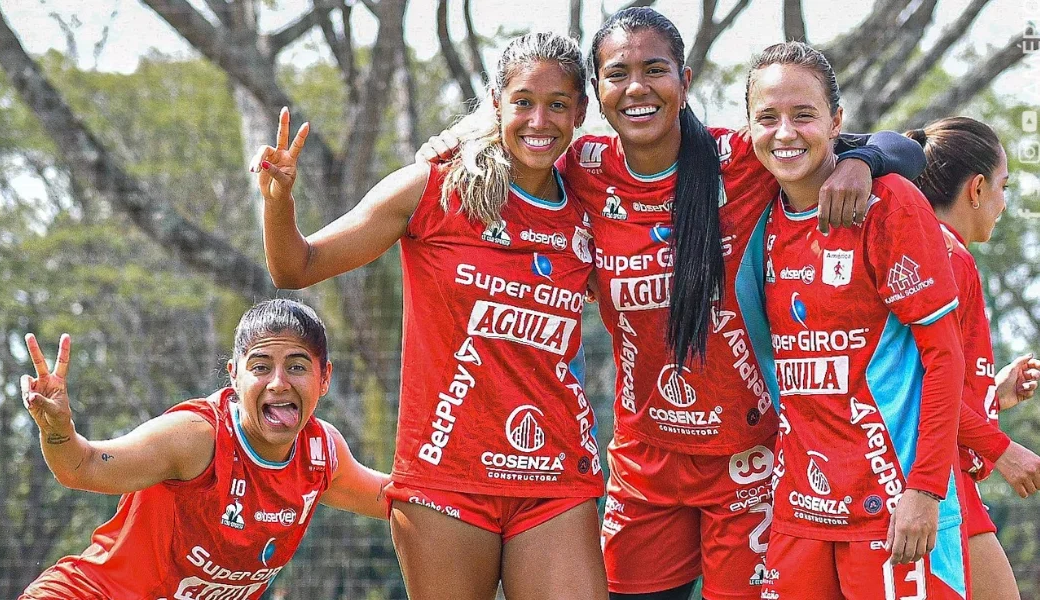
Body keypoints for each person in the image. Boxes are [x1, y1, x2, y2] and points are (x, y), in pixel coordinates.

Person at [417, 9, 925, 599]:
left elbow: (906, 149)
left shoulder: (745, 160)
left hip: (749, 463)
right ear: (596, 97)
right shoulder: (581, 171)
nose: (637, 87)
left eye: (654, 70)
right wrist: (461, 138)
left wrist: (863, 162)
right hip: (645, 465)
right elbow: (519, 135)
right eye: (617, 74)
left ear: (684, 80)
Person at [252, 32, 608, 600]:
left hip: (556, 474)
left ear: (580, 113)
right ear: (496, 103)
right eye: (522, 102)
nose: (538, 120)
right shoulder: (433, 188)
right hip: (446, 477)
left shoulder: (590, 208)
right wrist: (279, 200)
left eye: (557, 105)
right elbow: (296, 266)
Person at [752, 41, 969, 599]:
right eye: (767, 117)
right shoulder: (756, 203)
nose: (785, 133)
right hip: (799, 507)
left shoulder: (888, 203)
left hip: (893, 507)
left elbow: (945, 358)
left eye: (804, 115)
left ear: (837, 121)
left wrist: (924, 493)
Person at [18, 299, 388, 600]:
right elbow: (81, 467)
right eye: (261, 366)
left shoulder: (321, 455)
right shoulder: (196, 436)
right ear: (234, 376)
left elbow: (400, 500)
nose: (278, 382)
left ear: (324, 378)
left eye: (297, 366)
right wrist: (59, 431)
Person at [906, 116, 1040, 600]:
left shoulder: (930, 249)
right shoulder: (949, 258)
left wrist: (993, 395)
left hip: (936, 472)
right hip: (937, 479)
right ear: (978, 188)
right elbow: (920, 385)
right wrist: (1005, 450)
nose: (1005, 202)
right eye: (1004, 186)